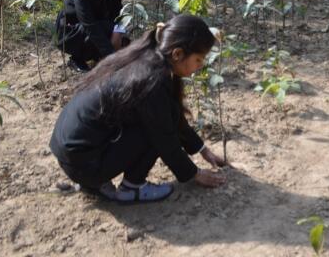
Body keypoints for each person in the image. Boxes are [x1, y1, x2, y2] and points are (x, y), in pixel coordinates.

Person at [50, 15, 228, 204]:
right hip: (85, 164)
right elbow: (166, 137)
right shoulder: (150, 81)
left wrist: (202, 150)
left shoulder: (147, 56)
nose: (200, 67)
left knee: (158, 119)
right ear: (177, 54)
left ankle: (96, 182)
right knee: (155, 129)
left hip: (71, 154)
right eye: (198, 60)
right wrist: (195, 174)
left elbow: (172, 113)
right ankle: (132, 187)